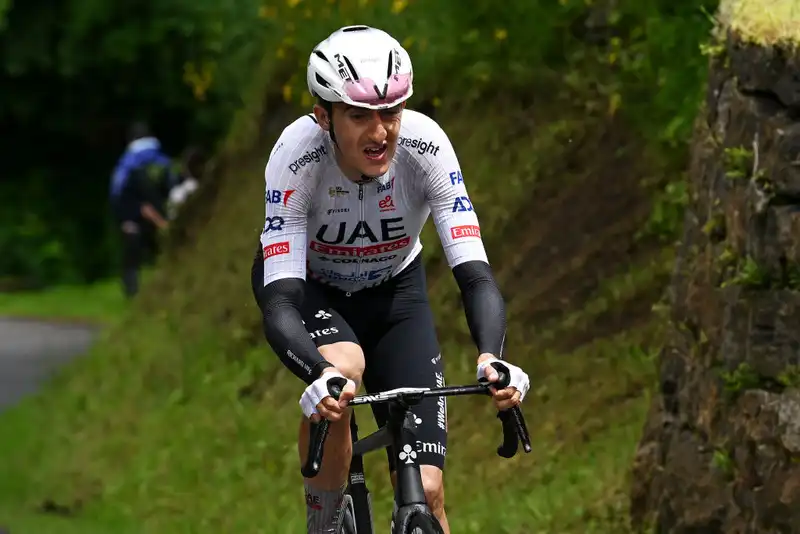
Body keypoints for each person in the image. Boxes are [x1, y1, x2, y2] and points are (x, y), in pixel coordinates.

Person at [250, 25, 531, 534]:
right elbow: (280, 303)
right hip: (311, 291)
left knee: (428, 490)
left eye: (391, 112)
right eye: (359, 116)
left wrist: (493, 354)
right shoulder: (297, 157)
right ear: (324, 116)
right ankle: (326, 521)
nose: (380, 133)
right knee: (344, 367)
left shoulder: (426, 149)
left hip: (395, 293)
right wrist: (317, 371)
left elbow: (475, 275)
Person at [109, 121, 172, 298]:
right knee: (161, 255)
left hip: (132, 218)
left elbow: (117, 193)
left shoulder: (127, 163)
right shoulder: (161, 160)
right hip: (162, 216)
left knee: (132, 260)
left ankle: (133, 294)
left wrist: (123, 218)